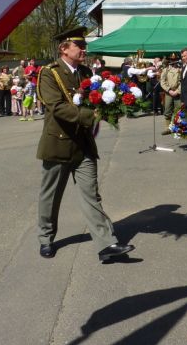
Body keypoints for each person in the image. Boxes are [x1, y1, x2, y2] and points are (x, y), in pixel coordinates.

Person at [36, 26, 134, 262]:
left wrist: (111, 108)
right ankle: (46, 238)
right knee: (51, 196)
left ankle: (106, 243)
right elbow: (57, 107)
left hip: (84, 145)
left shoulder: (86, 72)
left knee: (92, 195)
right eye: (79, 45)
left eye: (84, 45)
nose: (84, 49)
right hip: (59, 143)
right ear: (64, 48)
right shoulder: (50, 73)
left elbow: (95, 101)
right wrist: (93, 116)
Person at [160, 53, 181, 135]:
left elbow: (182, 82)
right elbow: (162, 81)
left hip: (178, 92)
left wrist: (177, 91)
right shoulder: (166, 70)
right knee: (167, 110)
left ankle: (178, 127)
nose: (173, 61)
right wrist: (169, 90)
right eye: (172, 60)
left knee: (178, 111)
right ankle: (168, 128)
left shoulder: (180, 69)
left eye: (175, 60)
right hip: (168, 92)